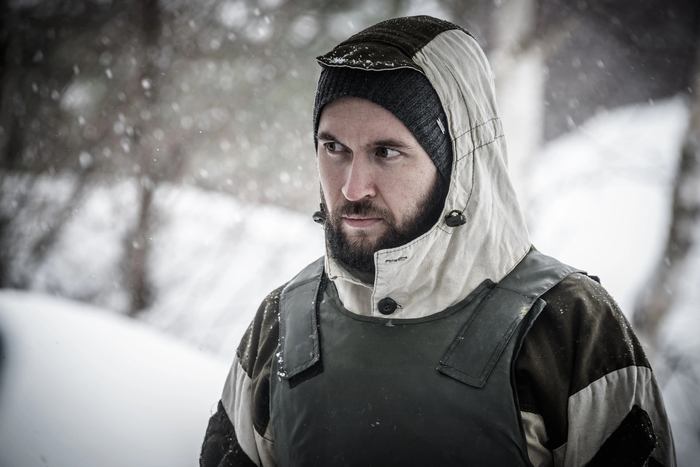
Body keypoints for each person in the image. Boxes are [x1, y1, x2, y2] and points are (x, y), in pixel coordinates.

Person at [200, 15, 676, 467]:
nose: (352, 188)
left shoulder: (569, 325)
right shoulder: (282, 323)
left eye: (386, 152)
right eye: (334, 148)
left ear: (458, 166)